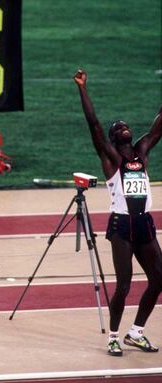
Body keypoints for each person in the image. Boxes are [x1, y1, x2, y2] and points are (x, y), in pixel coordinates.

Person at [73, 68, 162, 357]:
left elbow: (160, 125)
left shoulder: (142, 151)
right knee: (123, 285)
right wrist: (82, 88)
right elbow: (94, 124)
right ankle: (113, 336)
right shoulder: (111, 159)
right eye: (118, 126)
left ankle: (135, 333)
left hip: (144, 224)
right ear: (113, 138)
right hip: (122, 226)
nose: (124, 125)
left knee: (159, 279)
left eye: (126, 124)